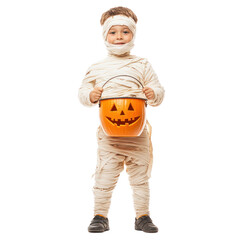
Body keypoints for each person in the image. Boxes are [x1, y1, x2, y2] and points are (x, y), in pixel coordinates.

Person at [78, 6, 165, 233]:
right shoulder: (97, 67)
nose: (119, 37)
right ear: (105, 35)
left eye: (125, 32)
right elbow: (83, 91)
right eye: (113, 32)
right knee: (104, 176)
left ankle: (142, 216)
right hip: (109, 135)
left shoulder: (142, 64)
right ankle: (99, 215)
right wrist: (90, 95)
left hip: (138, 134)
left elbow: (157, 88)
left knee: (140, 178)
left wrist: (153, 93)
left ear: (133, 35)